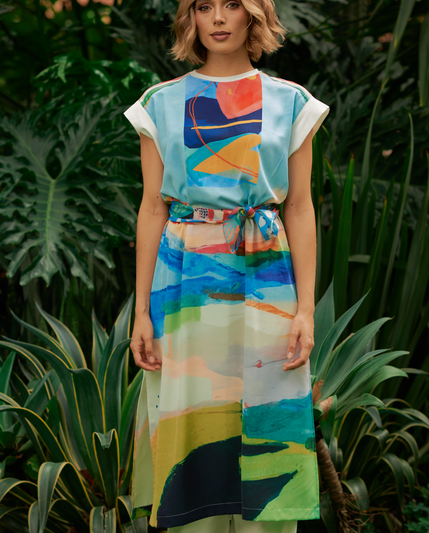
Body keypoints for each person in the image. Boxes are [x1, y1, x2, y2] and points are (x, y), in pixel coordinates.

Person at [124, 0, 329, 531]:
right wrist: (141, 312)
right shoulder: (160, 104)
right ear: (190, 18)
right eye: (204, 6)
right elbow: (152, 208)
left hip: (267, 280)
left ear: (254, 15)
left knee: (268, 423)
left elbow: (299, 207)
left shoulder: (291, 103)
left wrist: (305, 310)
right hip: (185, 285)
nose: (218, 18)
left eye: (232, 4)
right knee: (193, 420)